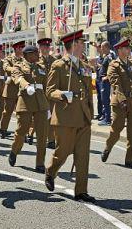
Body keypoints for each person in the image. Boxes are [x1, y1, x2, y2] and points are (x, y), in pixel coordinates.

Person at [44, 30, 95, 202]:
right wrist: (63, 95)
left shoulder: (85, 67)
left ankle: (81, 191)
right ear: (73, 45)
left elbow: (88, 93)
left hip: (82, 116)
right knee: (63, 152)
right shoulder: (58, 65)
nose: (84, 46)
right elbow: (50, 91)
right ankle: (51, 171)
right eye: (81, 43)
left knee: (83, 156)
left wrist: (90, 113)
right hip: (65, 117)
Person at [101, 38, 132, 168]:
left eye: (129, 48)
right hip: (119, 102)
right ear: (119, 50)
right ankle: (108, 146)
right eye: (126, 48)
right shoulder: (113, 65)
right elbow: (116, 84)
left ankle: (130, 159)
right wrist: (122, 100)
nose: (129, 50)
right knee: (116, 129)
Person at [8, 45, 49, 173]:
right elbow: (18, 78)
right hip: (25, 101)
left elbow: (47, 85)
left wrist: (49, 106)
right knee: (21, 130)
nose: (38, 54)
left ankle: (40, 163)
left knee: (42, 134)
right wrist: (26, 86)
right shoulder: (18, 66)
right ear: (28, 55)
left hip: (41, 103)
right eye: (36, 52)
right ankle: (14, 150)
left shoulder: (41, 68)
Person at [0, 41, 25, 138]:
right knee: (7, 111)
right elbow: (6, 68)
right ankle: (3, 129)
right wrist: (16, 69)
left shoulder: (24, 60)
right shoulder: (9, 58)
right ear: (17, 49)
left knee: (21, 112)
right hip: (11, 88)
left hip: (21, 88)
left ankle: (21, 132)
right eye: (21, 48)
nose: (23, 50)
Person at [37, 37, 56, 149]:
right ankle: (30, 133)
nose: (46, 48)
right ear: (40, 47)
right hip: (40, 93)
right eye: (44, 46)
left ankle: (51, 140)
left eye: (48, 46)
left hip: (51, 93)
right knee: (39, 117)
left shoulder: (54, 61)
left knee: (51, 116)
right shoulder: (36, 60)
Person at [97, 41, 113, 126]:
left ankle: (107, 119)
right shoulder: (106, 56)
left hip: (105, 82)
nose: (101, 49)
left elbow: (113, 67)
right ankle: (105, 117)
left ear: (107, 47)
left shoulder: (109, 57)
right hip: (102, 81)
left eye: (102, 48)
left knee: (105, 100)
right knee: (103, 99)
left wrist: (106, 77)